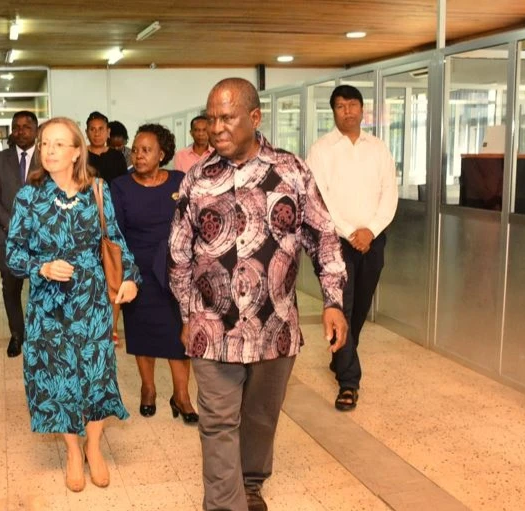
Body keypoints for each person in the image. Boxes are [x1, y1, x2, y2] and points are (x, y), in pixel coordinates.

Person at [168, 78, 348, 511]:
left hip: (275, 325)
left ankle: (250, 484)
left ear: (254, 117)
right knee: (217, 423)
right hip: (212, 326)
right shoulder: (197, 177)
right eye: (211, 118)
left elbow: (323, 236)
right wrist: (188, 313)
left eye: (227, 117)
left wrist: (333, 301)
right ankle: (225, 504)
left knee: (261, 417)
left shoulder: (291, 170)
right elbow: (178, 253)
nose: (216, 127)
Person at [5, 116, 140, 493]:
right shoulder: (28, 197)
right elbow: (13, 254)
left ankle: (94, 447)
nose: (49, 150)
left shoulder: (97, 190)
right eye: (45, 143)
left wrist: (129, 276)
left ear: (77, 151)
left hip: (92, 299)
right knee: (58, 378)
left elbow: (114, 239)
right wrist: (42, 266)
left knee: (96, 374)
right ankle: (72, 452)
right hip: (48, 307)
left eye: (59, 144)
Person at [306, 85, 398, 412]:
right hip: (336, 242)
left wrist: (370, 231)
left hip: (373, 240)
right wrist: (349, 232)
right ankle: (349, 381)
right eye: (341, 106)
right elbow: (320, 199)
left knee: (359, 308)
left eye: (353, 105)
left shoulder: (378, 148)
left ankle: (343, 354)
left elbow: (390, 193)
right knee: (341, 308)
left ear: (362, 109)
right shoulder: (322, 149)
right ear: (333, 111)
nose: (348, 111)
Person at [110, 123, 197, 423]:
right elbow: (116, 233)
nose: (139, 155)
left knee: (178, 336)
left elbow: (192, 223)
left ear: (162, 154)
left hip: (175, 268)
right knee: (142, 332)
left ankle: (182, 395)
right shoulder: (120, 186)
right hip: (137, 269)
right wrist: (124, 274)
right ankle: (148, 389)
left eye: (146, 150)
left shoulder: (180, 180)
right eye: (136, 149)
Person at [0, 111, 38, 357]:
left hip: (42, 236)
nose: (20, 131)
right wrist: (13, 226)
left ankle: (41, 335)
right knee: (10, 287)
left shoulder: (47, 157)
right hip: (6, 236)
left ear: (36, 130)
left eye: (26, 126)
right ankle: (17, 334)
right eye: (16, 127)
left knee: (43, 287)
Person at [85, 111, 128, 183]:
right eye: (92, 129)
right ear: (87, 133)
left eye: (101, 129)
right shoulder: (79, 155)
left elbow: (124, 184)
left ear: (108, 132)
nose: (97, 134)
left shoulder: (117, 156)